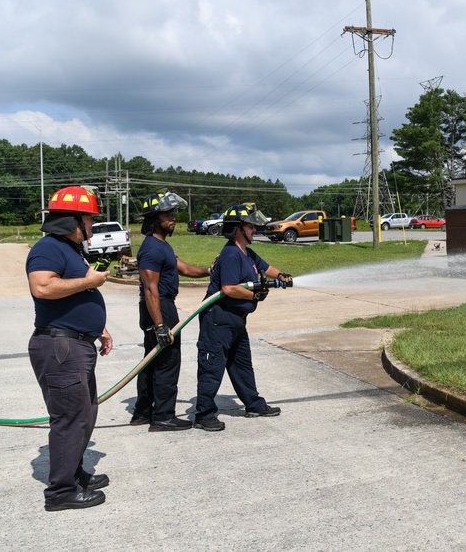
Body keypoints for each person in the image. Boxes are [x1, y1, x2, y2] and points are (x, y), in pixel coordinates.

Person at [26, 185, 114, 511]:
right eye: (89, 219)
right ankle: (61, 492)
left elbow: (72, 297)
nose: (92, 226)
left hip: (74, 344)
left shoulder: (68, 250)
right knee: (69, 419)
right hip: (60, 348)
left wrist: (98, 328)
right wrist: (90, 282)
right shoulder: (48, 249)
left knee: (85, 414)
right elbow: (43, 285)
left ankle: (74, 474)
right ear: (72, 221)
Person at [193, 203, 292, 432]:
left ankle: (253, 404)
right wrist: (255, 294)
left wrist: (281, 276)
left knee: (242, 364)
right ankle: (204, 414)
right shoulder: (230, 253)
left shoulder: (246, 252)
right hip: (218, 319)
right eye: (250, 226)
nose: (254, 230)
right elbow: (228, 288)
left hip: (236, 319)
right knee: (212, 367)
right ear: (239, 228)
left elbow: (266, 267)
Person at [130, 192, 210, 431]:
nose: (173, 219)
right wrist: (160, 325)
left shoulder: (162, 245)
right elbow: (150, 290)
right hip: (160, 307)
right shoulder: (151, 249)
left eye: (173, 214)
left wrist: (210, 270)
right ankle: (163, 416)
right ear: (155, 220)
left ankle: (143, 413)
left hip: (160, 307)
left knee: (151, 361)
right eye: (168, 215)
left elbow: (184, 268)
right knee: (167, 362)